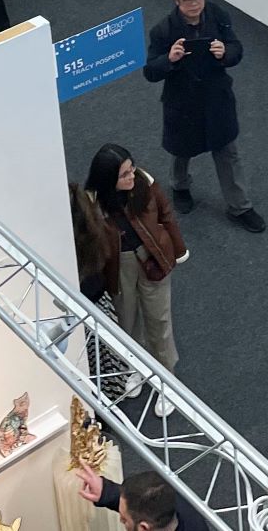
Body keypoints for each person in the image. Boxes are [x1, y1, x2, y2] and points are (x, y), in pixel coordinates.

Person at [145, 0, 265, 232]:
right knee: (182, 151)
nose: (194, 4)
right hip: (183, 102)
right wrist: (169, 60)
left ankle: (240, 206)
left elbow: (236, 48)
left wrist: (225, 53)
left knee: (228, 152)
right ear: (177, 2)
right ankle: (180, 186)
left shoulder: (218, 16)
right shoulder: (163, 31)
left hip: (216, 99)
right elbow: (150, 72)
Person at [84, 142, 186, 380]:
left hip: (153, 257)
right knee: (126, 321)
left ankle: (166, 377)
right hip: (118, 266)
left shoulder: (145, 184)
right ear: (108, 178)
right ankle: (136, 368)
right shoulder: (93, 203)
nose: (132, 176)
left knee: (159, 320)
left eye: (132, 169)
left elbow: (166, 215)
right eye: (124, 174)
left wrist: (179, 250)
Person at [69, 182, 140, 401]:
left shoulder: (79, 240)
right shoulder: (93, 226)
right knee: (102, 361)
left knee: (90, 361)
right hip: (96, 299)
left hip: (88, 303)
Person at [73, 465, 193, 531]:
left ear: (143, 528)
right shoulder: (167, 500)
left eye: (124, 519)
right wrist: (106, 491)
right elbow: (138, 502)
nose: (120, 520)